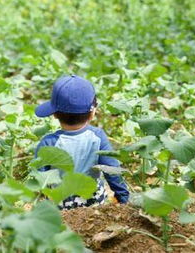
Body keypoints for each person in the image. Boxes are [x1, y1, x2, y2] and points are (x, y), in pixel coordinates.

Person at [34, 74, 129, 209]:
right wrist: (124, 199)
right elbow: (112, 170)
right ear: (92, 113)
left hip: (61, 203)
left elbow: (38, 179)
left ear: (54, 114)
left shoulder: (48, 143)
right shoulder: (98, 137)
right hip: (94, 202)